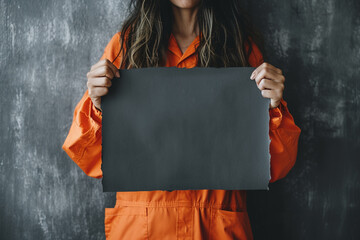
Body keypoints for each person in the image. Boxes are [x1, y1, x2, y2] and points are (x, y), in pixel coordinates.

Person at [62, 0, 301, 239]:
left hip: (217, 228)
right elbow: (88, 157)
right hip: (142, 229)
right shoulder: (126, 46)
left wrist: (273, 105)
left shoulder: (241, 49)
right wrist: (97, 106)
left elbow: (274, 167)